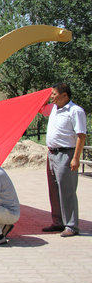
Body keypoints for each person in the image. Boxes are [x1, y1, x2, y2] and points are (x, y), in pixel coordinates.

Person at [40, 83, 87, 237]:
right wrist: (45, 95)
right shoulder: (53, 108)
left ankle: (71, 226)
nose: (52, 97)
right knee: (54, 190)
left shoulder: (75, 111)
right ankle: (58, 222)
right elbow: (40, 108)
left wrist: (76, 158)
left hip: (66, 154)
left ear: (64, 95)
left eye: (54, 94)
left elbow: (81, 136)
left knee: (67, 190)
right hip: (52, 154)